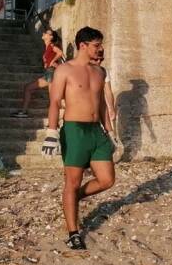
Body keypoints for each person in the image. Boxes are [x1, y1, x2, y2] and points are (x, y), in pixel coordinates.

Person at [41, 26, 116, 250]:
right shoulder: (64, 70)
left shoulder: (100, 72)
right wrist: (51, 133)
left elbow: (101, 104)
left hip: (96, 131)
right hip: (74, 131)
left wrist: (110, 132)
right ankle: (73, 233)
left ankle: (72, 199)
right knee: (71, 182)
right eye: (96, 45)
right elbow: (54, 102)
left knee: (107, 180)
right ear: (83, 46)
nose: (100, 49)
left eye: (100, 45)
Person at [12, 28, 63, 118]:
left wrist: (52, 62)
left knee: (52, 99)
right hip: (48, 73)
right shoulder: (47, 47)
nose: (43, 33)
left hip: (51, 73)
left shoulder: (51, 45)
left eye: (46, 33)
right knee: (28, 88)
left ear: (50, 37)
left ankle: (55, 121)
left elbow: (60, 52)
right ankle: (24, 112)